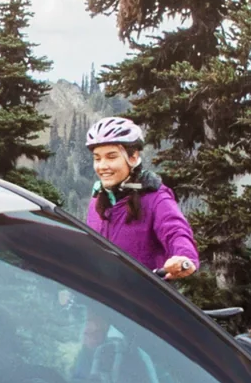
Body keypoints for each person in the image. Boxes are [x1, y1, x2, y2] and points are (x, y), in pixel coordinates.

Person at [80, 117, 198, 280]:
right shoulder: (97, 202)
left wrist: (184, 257)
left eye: (111, 157)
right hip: (103, 300)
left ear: (133, 157)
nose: (102, 166)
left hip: (144, 299)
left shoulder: (155, 197)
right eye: (97, 158)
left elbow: (176, 231)